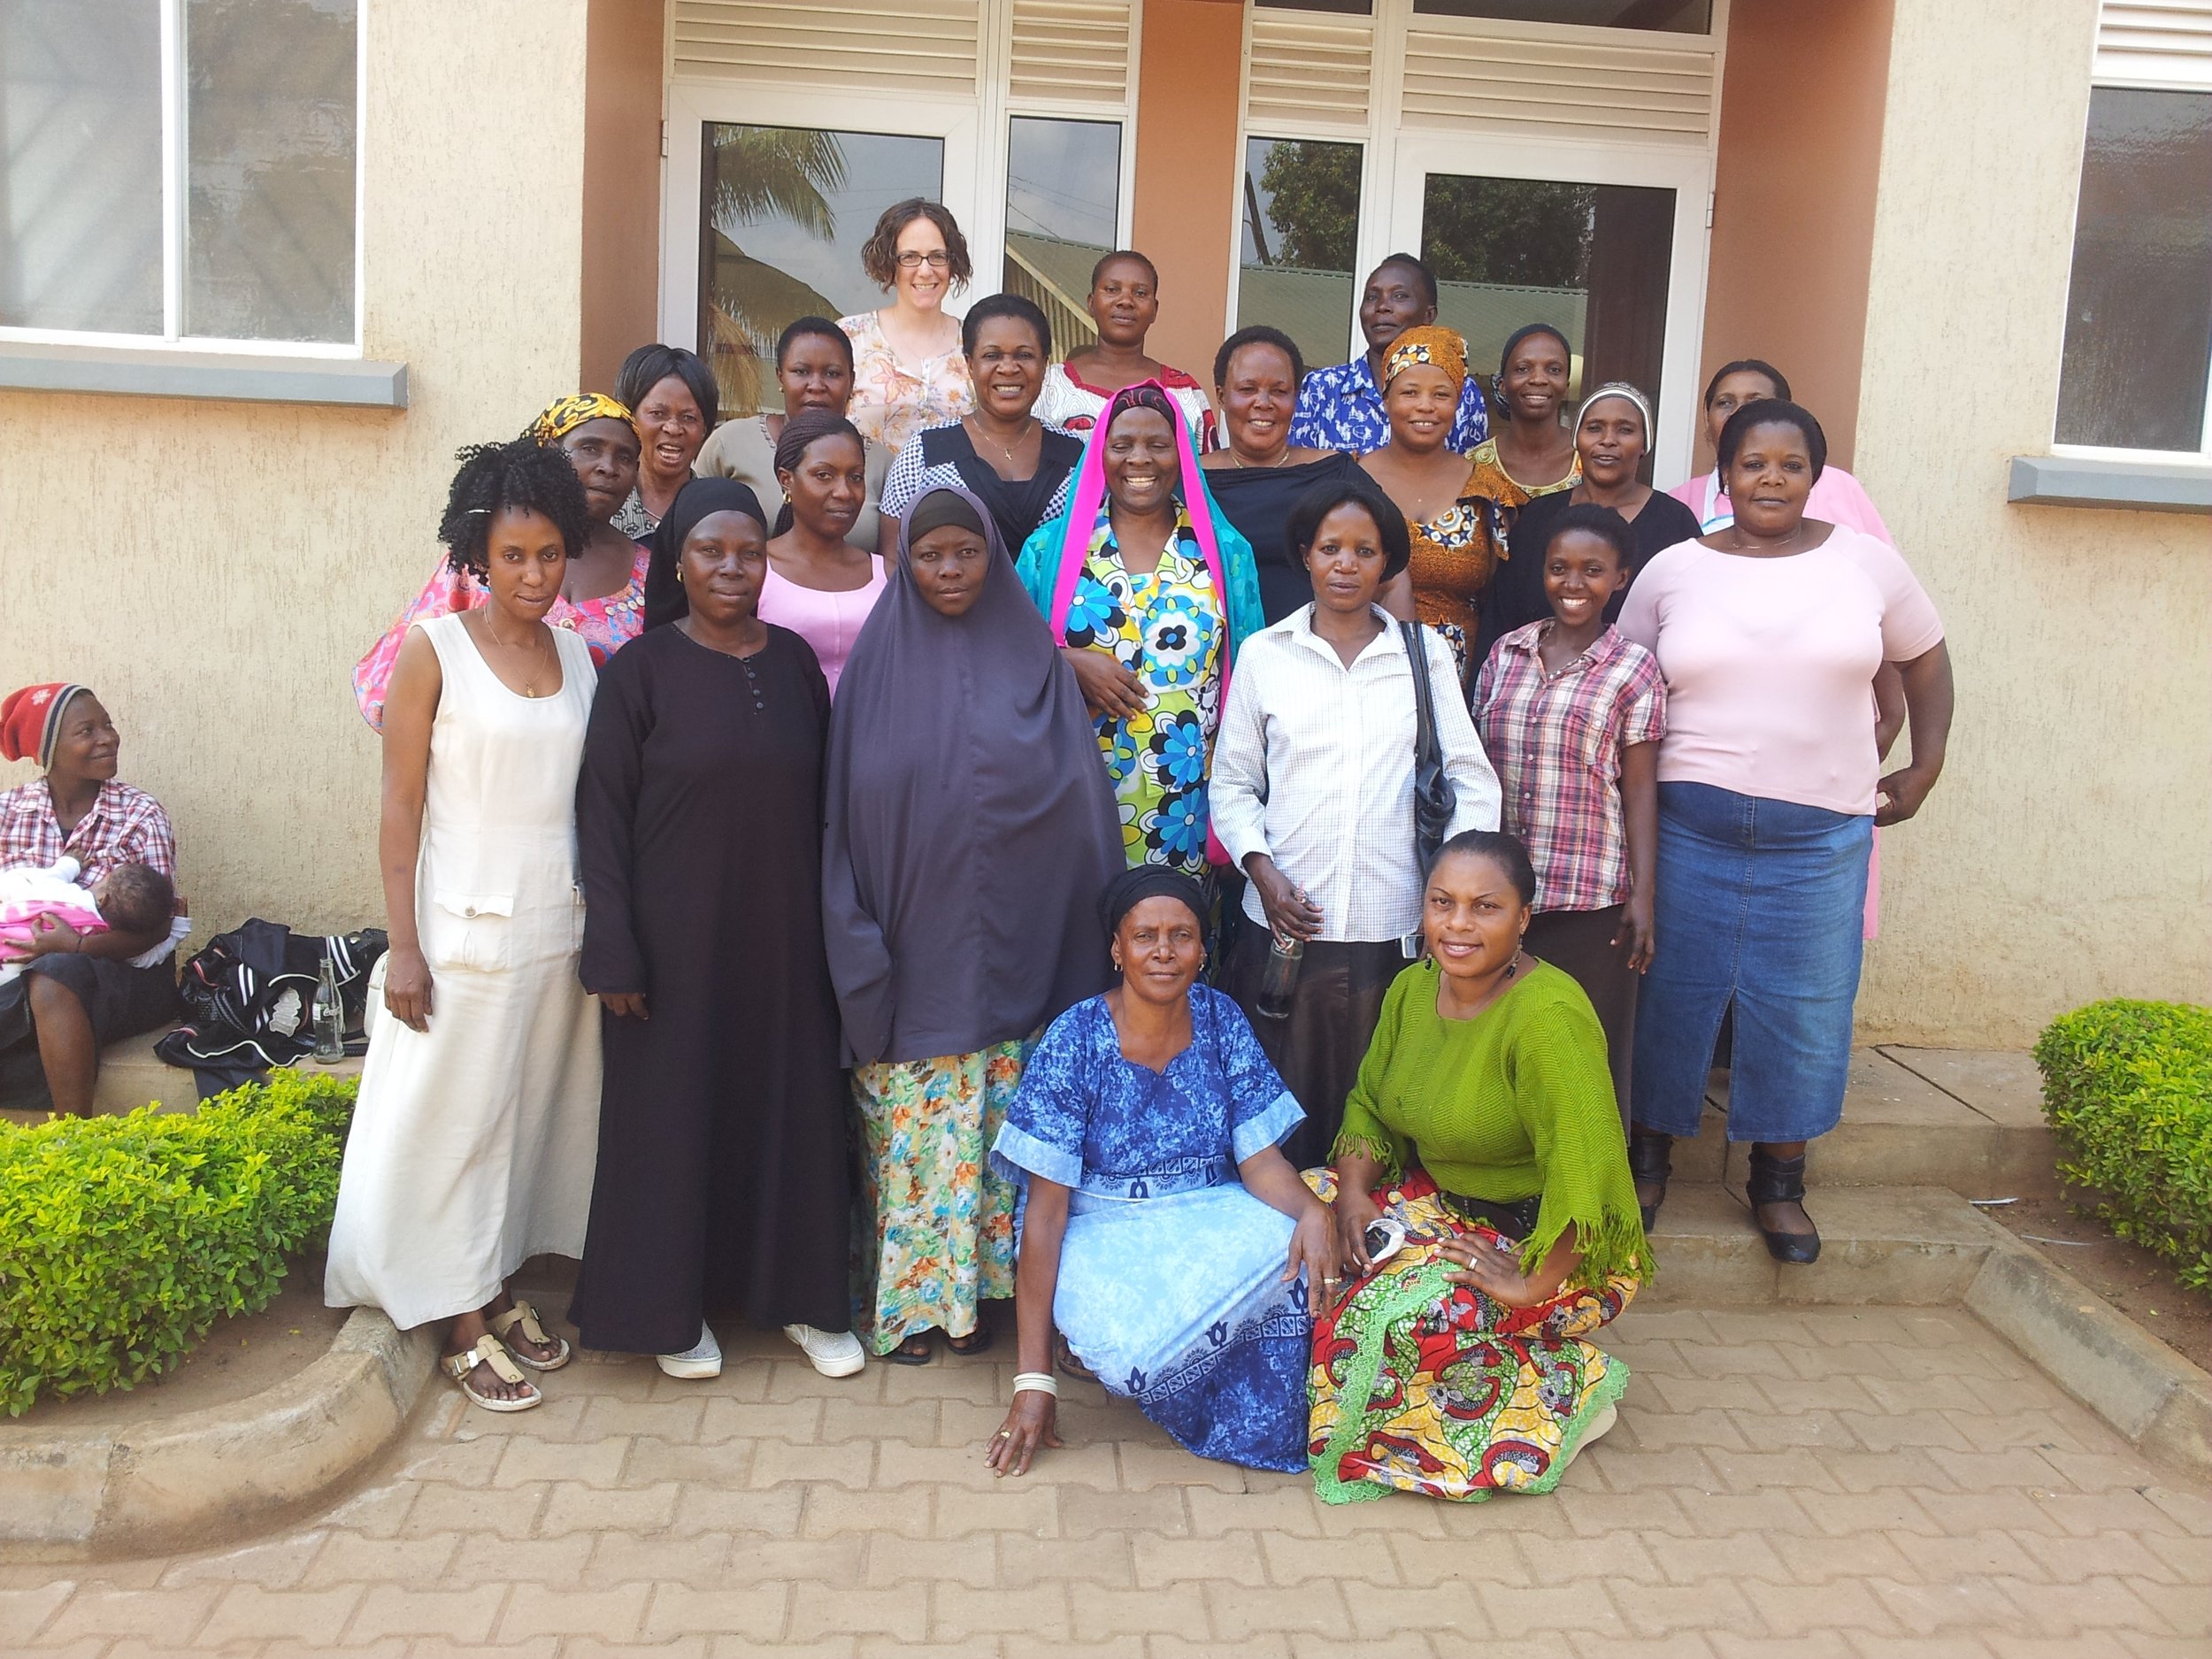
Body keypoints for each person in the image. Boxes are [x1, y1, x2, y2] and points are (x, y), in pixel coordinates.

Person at [1619, 399, 1953, 1262]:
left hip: (1819, 841)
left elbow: (1925, 657)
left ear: (1815, 475)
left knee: (1803, 1008)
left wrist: (1924, 764)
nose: (1771, 478)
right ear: (1723, 474)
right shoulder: (1671, 570)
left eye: (1790, 464)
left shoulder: (1865, 563)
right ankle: (1646, 1164)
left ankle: (1779, 1183)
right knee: (1669, 995)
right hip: (1688, 831)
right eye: (1753, 463)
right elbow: (1622, 682)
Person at [325, 439, 604, 1413]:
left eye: (550, 554)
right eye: (513, 556)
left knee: (520, 1121)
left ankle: (490, 1282)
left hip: (553, 928)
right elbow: (400, 807)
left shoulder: (578, 656)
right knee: (451, 1127)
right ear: (477, 554)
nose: (533, 574)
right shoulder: (432, 650)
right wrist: (402, 947)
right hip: (457, 933)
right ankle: (454, 1321)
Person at [823, 488, 1125, 1363]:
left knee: (1003, 1126)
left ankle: (985, 1298)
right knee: (919, 1130)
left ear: (993, 558)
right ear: (904, 562)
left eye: (967, 553)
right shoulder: (873, 671)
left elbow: (1080, 806)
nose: (949, 570)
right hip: (911, 945)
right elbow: (840, 814)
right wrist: (855, 933)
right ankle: (914, 1306)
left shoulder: (1037, 665)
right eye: (930, 555)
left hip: (1025, 943)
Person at [572, 478, 862, 1382]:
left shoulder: (793, 664)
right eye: (710, 550)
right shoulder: (640, 671)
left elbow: (827, 804)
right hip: (672, 949)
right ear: (679, 563)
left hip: (785, 941)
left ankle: (801, 1300)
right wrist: (613, 944)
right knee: (671, 1119)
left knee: (791, 1113)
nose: (732, 567)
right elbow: (600, 817)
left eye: (748, 552)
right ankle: (670, 1310)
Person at [1314, 830, 1651, 1504]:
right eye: (1443, 902)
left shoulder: (1548, 1017)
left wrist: (1530, 1281)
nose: (1458, 924)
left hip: (1546, 1241)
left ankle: (1564, 1389)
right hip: (1443, 1205)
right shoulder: (1413, 988)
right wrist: (1352, 1195)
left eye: (1485, 906)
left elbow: (1586, 1175)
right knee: (1303, 1236)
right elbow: (1370, 1104)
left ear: (1524, 917)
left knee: (1402, 1320)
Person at [985, 866, 1336, 1478]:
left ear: (1202, 949)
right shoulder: (1076, 1037)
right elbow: (1044, 1213)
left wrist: (1312, 1211)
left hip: (1207, 1206)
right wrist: (1033, 1381)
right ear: (1117, 949)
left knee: (1307, 1248)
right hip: (1098, 1222)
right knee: (1131, 1360)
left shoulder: (1221, 1019)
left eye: (1182, 935)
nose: (1164, 951)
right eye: (1145, 936)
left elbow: (1258, 1161)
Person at [1211, 477, 1500, 1167]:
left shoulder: (1423, 655)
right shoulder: (1266, 654)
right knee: (1284, 1115)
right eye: (1330, 548)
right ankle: (1291, 1227)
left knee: (1383, 1106)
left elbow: (1471, 779)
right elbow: (1232, 783)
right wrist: (1262, 871)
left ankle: (1371, 1230)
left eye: (1364, 551)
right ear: (1305, 555)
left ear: (1387, 562)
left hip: (1391, 929)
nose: (1346, 564)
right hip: (1286, 934)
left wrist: (1450, 896)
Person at [1016, 383, 1265, 880]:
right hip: (1076, 792)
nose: (1139, 459)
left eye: (1158, 444)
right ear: (1100, 453)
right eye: (1122, 444)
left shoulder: (1224, 553)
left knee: (1176, 924)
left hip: (1188, 803)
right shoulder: (1050, 551)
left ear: (1183, 453)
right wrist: (1065, 661)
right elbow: (1003, 654)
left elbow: (1252, 682)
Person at [1475, 503, 1665, 1120]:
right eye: (1560, 568)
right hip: (1503, 897)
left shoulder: (1634, 668)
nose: (1573, 583)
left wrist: (1643, 896)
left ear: (1621, 577)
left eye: (1593, 570)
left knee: (1582, 1057)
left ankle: (1589, 1173)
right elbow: (1473, 769)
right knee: (1499, 1052)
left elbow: (1640, 789)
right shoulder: (1505, 653)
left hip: (1588, 897)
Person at [353, 394, 649, 730]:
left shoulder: (650, 576)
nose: (608, 467)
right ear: (549, 452)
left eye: (625, 457)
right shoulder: (477, 560)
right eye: (590, 448)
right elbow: (400, 692)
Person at [0, 686, 183, 1115]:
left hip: (126, 973)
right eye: (87, 731)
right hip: (14, 971)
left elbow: (158, 925)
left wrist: (77, 945)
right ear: (48, 750)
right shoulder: (8, 813)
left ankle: (74, 1132)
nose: (108, 738)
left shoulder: (139, 813)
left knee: (54, 973)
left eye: (108, 725)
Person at [651, 411, 886, 696]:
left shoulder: (887, 575)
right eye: (823, 475)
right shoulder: (750, 570)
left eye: (856, 477)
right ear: (786, 479)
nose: (844, 492)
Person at [1479, 382, 1700, 662]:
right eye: (1594, 428)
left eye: (1625, 430)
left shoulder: (1675, 522)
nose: (1608, 440)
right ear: (1576, 440)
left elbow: (1692, 621)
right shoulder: (1538, 516)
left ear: (1645, 444)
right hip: (1532, 680)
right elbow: (1502, 613)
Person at [879, 294, 1083, 554]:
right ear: (970, 364)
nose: (1008, 368)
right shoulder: (924, 452)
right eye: (992, 355)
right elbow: (894, 559)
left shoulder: (1077, 455)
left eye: (1024, 355)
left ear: (1044, 365)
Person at [1199, 326, 1363, 625]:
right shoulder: (1190, 483)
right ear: (1221, 396)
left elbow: (1390, 573)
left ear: (1296, 398)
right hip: (1214, 650)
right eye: (1247, 389)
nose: (1264, 402)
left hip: (1318, 648)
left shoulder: (1337, 475)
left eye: (1279, 391)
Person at [1356, 326, 1494, 679]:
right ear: (1386, 399)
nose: (1425, 406)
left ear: (1457, 403)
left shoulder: (1485, 488)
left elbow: (1501, 597)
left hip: (1459, 687)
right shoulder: (1350, 481)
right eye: (1410, 392)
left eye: (1441, 394)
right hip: (1366, 678)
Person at [694, 316, 891, 555]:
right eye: (801, 372)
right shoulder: (730, 443)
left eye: (832, 374)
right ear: (780, 377)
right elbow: (692, 531)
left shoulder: (881, 463)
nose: (816, 385)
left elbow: (893, 563)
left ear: (852, 381)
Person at [1289, 254, 1490, 456]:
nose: (1382, 307)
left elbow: (1470, 472)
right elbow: (1296, 470)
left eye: (1400, 296)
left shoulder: (1462, 392)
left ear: (1429, 315)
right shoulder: (1322, 388)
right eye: (1372, 297)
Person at [1669, 359, 1893, 539]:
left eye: (1755, 402)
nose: (1738, 413)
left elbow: (1881, 571)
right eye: (1725, 402)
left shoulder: (1839, 487)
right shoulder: (1677, 503)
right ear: (1707, 419)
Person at [1033, 250, 1217, 450]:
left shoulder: (1185, 392)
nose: (1126, 301)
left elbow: (1208, 468)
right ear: (1091, 303)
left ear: (1154, 309)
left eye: (1140, 293)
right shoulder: (1047, 384)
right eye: (1112, 289)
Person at [840, 198, 975, 453]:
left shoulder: (975, 341)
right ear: (889, 263)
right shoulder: (851, 337)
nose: (925, 271)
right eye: (910, 257)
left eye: (937, 256)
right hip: (866, 480)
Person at [0, 858, 173, 985]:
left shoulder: (69, 895)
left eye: (106, 878)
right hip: (14, 974)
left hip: (8, 927)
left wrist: (71, 862)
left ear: (103, 899)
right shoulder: (101, 940)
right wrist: (178, 926)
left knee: (15, 883)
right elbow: (149, 957)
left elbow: (53, 875)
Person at [1467, 322, 1581, 509]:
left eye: (1554, 370)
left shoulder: (1589, 459)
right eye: (1522, 369)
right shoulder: (1474, 466)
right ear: (1502, 385)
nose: (1538, 379)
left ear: (1566, 387)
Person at [611, 344, 719, 538]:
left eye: (689, 417)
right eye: (657, 413)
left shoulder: (716, 513)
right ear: (630, 418)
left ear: (704, 429)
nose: (673, 428)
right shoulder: (603, 506)